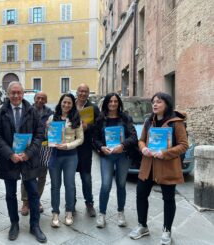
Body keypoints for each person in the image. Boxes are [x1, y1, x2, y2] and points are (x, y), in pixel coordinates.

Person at [129, 92, 188, 245]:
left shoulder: (176, 122)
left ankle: (167, 230)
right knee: (141, 194)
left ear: (167, 104)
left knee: (168, 199)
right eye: (154, 102)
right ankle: (142, 226)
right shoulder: (149, 121)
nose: (155, 104)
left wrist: (165, 153)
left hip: (167, 166)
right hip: (148, 165)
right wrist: (143, 149)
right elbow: (141, 140)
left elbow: (183, 145)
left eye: (159, 102)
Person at [0, 81, 47, 243]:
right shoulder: (0, 113)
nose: (16, 95)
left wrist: (28, 153)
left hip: (28, 159)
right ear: (8, 94)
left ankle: (35, 225)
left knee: (33, 192)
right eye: (12, 93)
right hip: (9, 159)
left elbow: (40, 134)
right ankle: (14, 223)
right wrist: (10, 154)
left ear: (23, 94)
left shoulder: (32, 111)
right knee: (10, 194)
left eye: (18, 92)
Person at [93, 92, 138, 228]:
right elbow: (94, 139)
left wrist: (123, 145)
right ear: (106, 103)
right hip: (107, 156)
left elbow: (133, 136)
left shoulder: (125, 118)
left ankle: (120, 212)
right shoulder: (100, 119)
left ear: (119, 103)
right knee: (106, 185)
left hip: (123, 155)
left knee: (121, 184)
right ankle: (102, 214)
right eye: (110, 101)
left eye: (115, 101)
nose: (113, 103)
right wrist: (101, 147)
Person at [47, 93, 84, 227]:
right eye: (64, 102)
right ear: (60, 103)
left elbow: (80, 139)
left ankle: (69, 211)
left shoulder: (76, 118)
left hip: (70, 156)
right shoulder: (52, 118)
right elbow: (48, 137)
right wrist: (47, 130)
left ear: (72, 105)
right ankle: (55, 213)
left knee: (70, 185)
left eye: (69, 103)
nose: (66, 105)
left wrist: (68, 145)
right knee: (55, 186)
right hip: (55, 155)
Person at [20, 91, 53, 216]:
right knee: (26, 176)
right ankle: (25, 202)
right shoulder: (27, 110)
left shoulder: (50, 113)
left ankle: (36, 199)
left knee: (42, 176)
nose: (40, 100)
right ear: (34, 99)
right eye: (38, 98)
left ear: (46, 100)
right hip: (29, 147)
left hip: (44, 148)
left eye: (43, 98)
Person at [74, 83, 100, 217]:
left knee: (86, 177)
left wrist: (88, 127)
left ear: (88, 93)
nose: (83, 94)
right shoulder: (70, 105)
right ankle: (71, 203)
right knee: (69, 177)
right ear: (77, 92)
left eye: (85, 91)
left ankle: (89, 203)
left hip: (85, 148)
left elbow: (99, 125)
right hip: (70, 147)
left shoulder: (93, 108)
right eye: (81, 91)